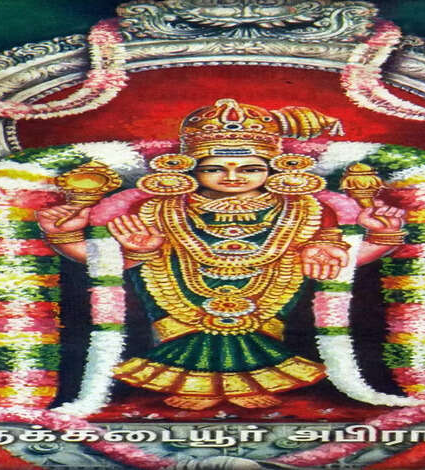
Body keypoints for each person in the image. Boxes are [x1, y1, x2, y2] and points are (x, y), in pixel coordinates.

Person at [36, 99, 405, 410]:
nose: (233, 176)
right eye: (214, 168)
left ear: (273, 169)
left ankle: (252, 381)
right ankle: (193, 383)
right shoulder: (157, 209)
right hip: (178, 310)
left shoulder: (306, 211)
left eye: (250, 168)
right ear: (189, 168)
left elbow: (337, 267)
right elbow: (107, 264)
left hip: (269, 307)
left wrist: (382, 234)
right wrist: (73, 235)